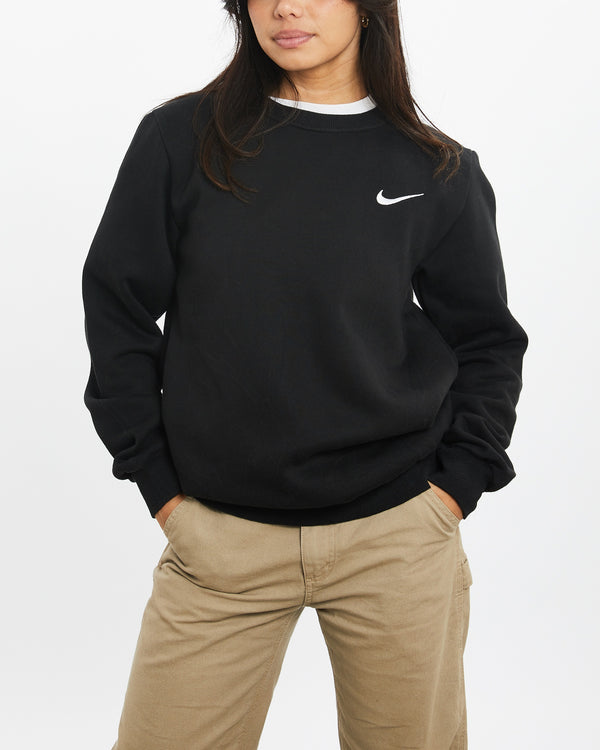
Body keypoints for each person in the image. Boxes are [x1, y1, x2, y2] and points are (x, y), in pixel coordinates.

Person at [81, 1, 528, 748]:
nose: (285, 6)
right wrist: (159, 487)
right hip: (219, 540)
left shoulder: (437, 169)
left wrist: (455, 488)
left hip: (396, 535)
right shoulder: (182, 138)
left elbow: (487, 340)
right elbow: (117, 308)